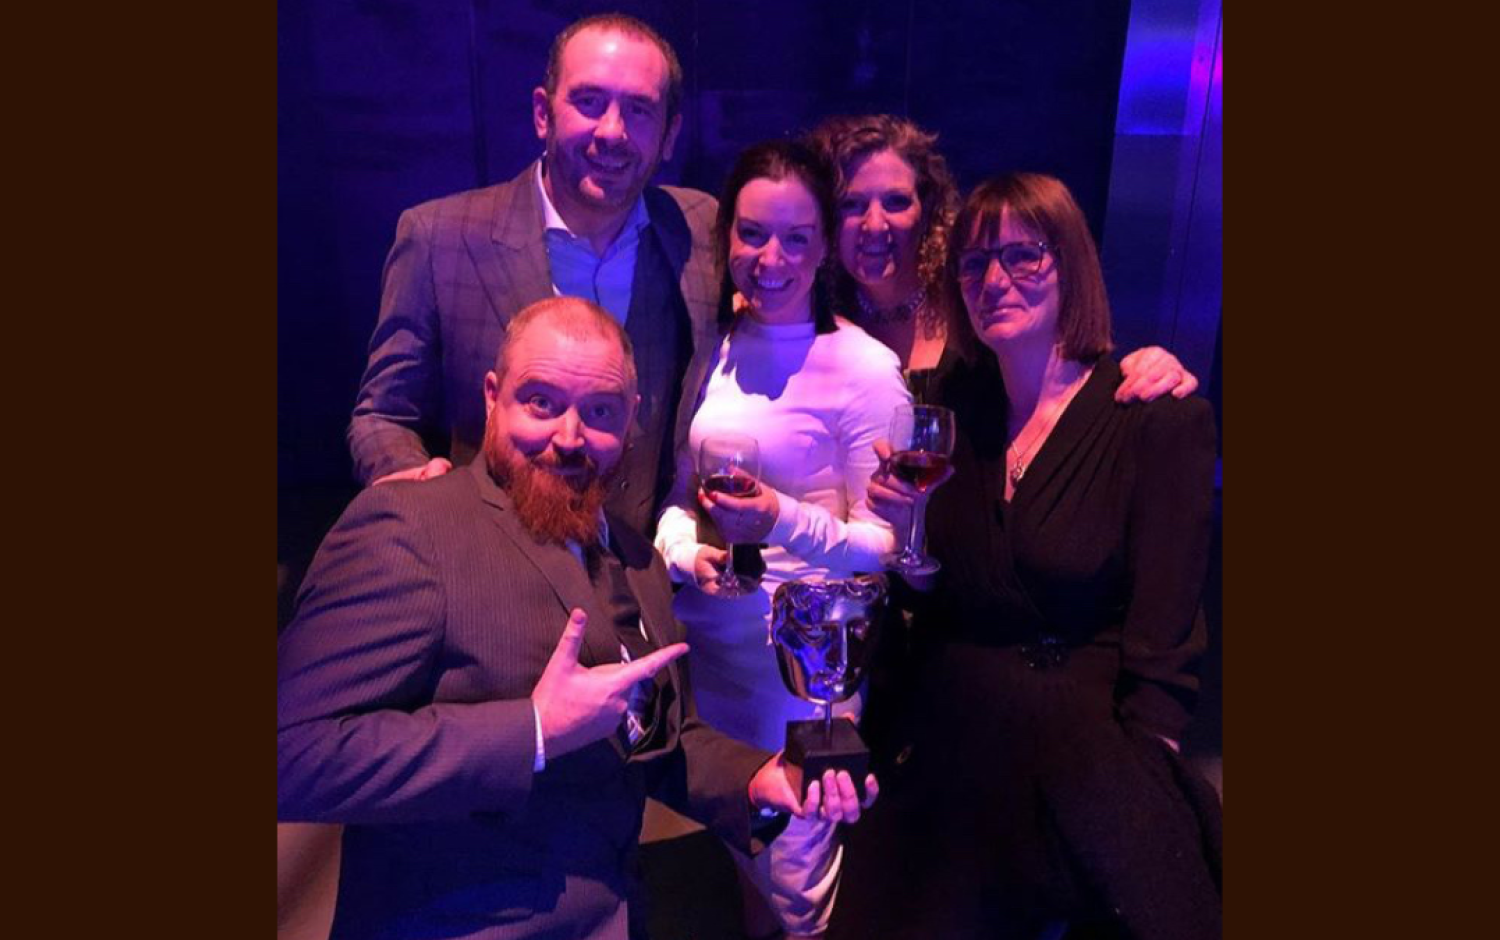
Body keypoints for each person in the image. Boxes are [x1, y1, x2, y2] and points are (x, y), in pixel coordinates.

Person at [280, 297, 872, 940]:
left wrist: (760, 779)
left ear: (633, 421)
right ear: (491, 397)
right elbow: (291, 755)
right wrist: (530, 731)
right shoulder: (411, 525)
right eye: (541, 402)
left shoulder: (637, 558)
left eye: (598, 412)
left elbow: (652, 742)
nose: (569, 436)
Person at [830, 173, 1222, 940]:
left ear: (1071, 265)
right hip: (954, 740)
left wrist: (1138, 789)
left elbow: (1167, 632)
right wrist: (910, 545)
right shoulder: (951, 415)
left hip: (1087, 747)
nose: (996, 281)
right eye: (974, 265)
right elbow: (942, 598)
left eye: (1024, 257)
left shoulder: (1152, 417)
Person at [652, 141, 910, 940]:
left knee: (797, 886)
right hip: (706, 649)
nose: (771, 258)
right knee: (734, 842)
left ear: (826, 245)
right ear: (726, 235)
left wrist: (780, 522)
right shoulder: (712, 348)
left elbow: (883, 550)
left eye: (796, 238)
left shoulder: (865, 369)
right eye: (754, 234)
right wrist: (687, 556)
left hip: (798, 670)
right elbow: (670, 500)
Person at [347, 13, 720, 539]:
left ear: (669, 134)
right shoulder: (440, 236)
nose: (612, 131)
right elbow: (383, 415)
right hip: (495, 573)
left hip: (650, 582)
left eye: (639, 110)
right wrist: (414, 490)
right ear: (543, 114)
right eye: (589, 102)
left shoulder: (703, 229)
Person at [808, 114, 1197, 402]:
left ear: (926, 209)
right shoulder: (812, 315)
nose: (874, 225)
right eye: (851, 205)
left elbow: (1074, 369)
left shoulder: (979, 290)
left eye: (896, 202)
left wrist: (1149, 364)